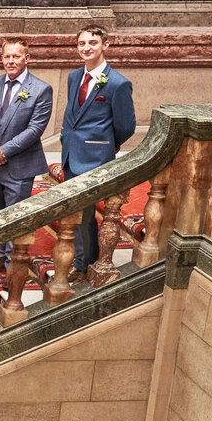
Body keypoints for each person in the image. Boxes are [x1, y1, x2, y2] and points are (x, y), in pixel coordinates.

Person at [61, 24, 136, 283]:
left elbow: (127, 125)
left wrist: (107, 144)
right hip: (71, 154)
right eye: (82, 43)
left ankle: (85, 263)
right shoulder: (73, 77)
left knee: (85, 213)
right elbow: (72, 115)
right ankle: (83, 258)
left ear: (106, 45)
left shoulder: (117, 83)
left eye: (92, 43)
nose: (86, 48)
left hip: (94, 159)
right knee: (79, 214)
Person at [0, 37, 54, 276]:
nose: (10, 61)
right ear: (1, 58)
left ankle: (12, 265)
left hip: (19, 165)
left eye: (16, 56)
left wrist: (4, 151)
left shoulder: (41, 89)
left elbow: (35, 130)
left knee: (15, 218)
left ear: (26, 58)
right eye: (6, 56)